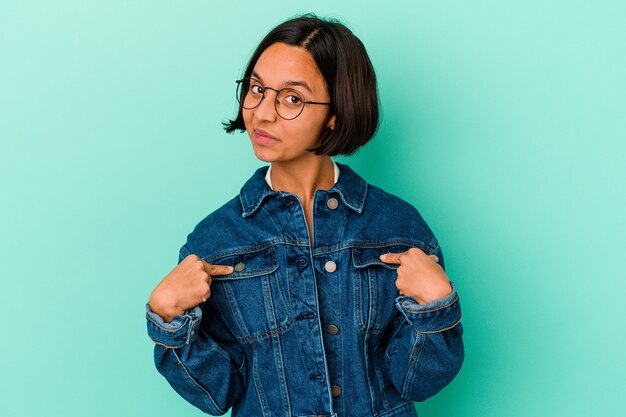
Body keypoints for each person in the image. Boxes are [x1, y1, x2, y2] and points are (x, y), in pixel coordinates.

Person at [145, 13, 464, 417]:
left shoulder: (398, 228)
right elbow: (217, 392)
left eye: (292, 98)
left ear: (335, 113)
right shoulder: (216, 241)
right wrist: (168, 319)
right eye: (257, 89)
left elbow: (415, 381)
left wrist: (436, 306)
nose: (262, 113)